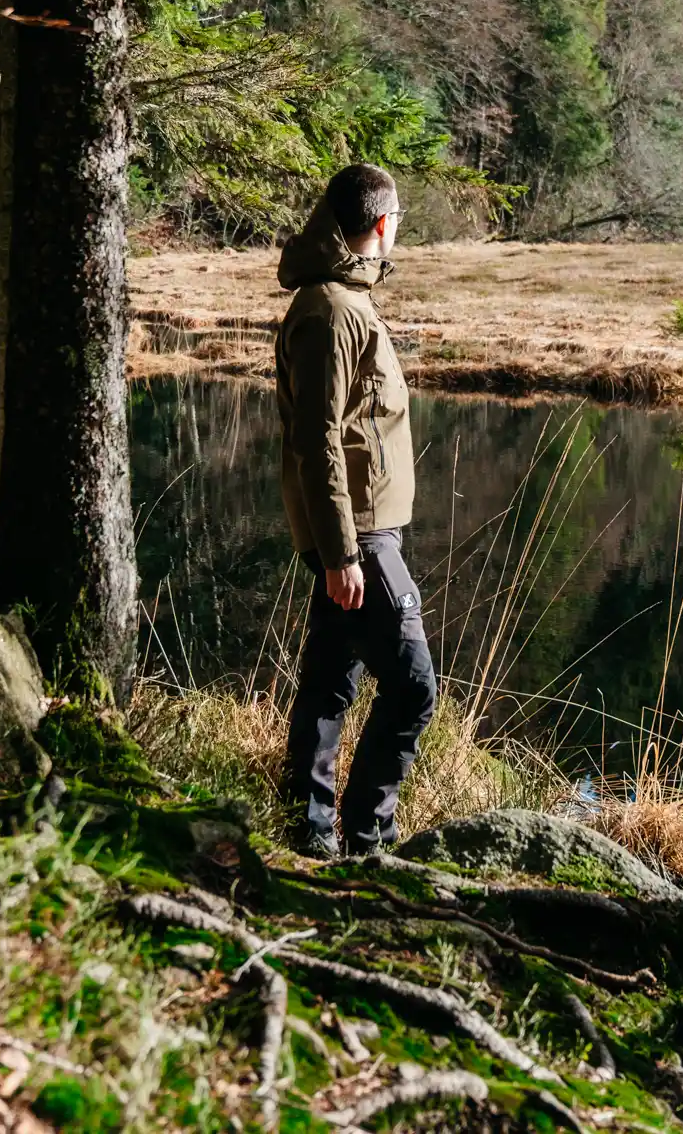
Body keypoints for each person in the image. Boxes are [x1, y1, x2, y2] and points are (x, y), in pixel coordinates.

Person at [274, 162, 437, 856]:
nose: (397, 232)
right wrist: (343, 552)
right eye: (397, 220)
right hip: (362, 535)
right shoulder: (332, 310)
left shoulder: (341, 299)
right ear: (379, 225)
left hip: (366, 529)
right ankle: (369, 842)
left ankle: (307, 837)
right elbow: (319, 438)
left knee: (329, 686)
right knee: (413, 687)